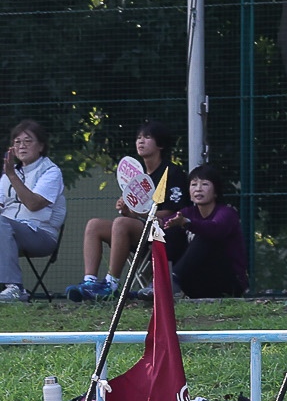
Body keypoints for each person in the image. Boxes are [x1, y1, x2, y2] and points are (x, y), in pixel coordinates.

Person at [70, 119, 187, 301]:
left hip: (164, 231)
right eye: (139, 137)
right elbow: (135, 214)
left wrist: (135, 214)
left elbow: (171, 212)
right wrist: (127, 210)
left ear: (161, 145)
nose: (141, 141)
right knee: (94, 225)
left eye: (147, 137)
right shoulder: (138, 176)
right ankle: (90, 282)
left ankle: (111, 284)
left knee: (121, 223)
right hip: (140, 230)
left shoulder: (172, 173)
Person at [0, 119, 65, 303]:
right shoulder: (8, 174)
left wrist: (12, 175)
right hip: (6, 232)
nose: (22, 146)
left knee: (1, 224)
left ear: (41, 146)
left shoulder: (51, 172)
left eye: (28, 141)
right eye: (17, 142)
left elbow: (33, 204)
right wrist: (11, 174)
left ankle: (15, 288)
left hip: (40, 235)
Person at [171, 165, 247, 299]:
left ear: (216, 191)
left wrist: (187, 223)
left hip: (228, 282)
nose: (198, 188)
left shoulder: (227, 213)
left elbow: (216, 228)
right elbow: (165, 222)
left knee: (206, 235)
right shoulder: (187, 212)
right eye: (194, 184)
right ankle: (154, 285)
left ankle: (172, 279)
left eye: (205, 184)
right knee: (168, 234)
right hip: (197, 281)